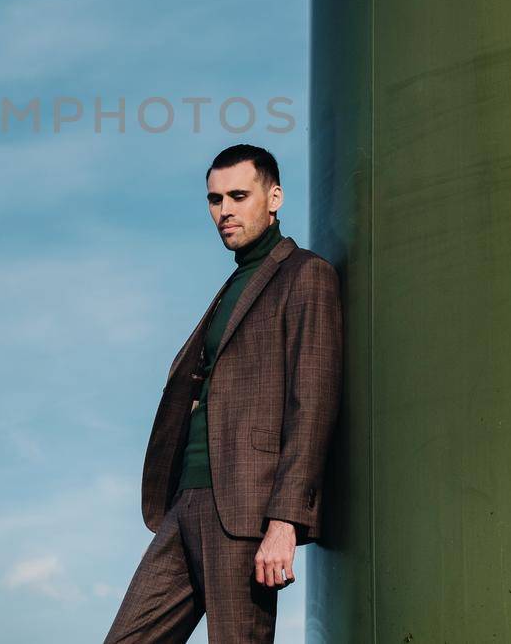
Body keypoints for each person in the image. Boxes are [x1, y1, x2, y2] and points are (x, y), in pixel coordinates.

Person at [103, 144, 343, 644]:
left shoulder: (305, 275)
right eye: (215, 200)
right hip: (185, 501)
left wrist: (285, 521)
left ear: (273, 197)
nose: (225, 211)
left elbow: (312, 404)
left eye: (239, 195)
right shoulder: (235, 283)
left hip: (246, 510)